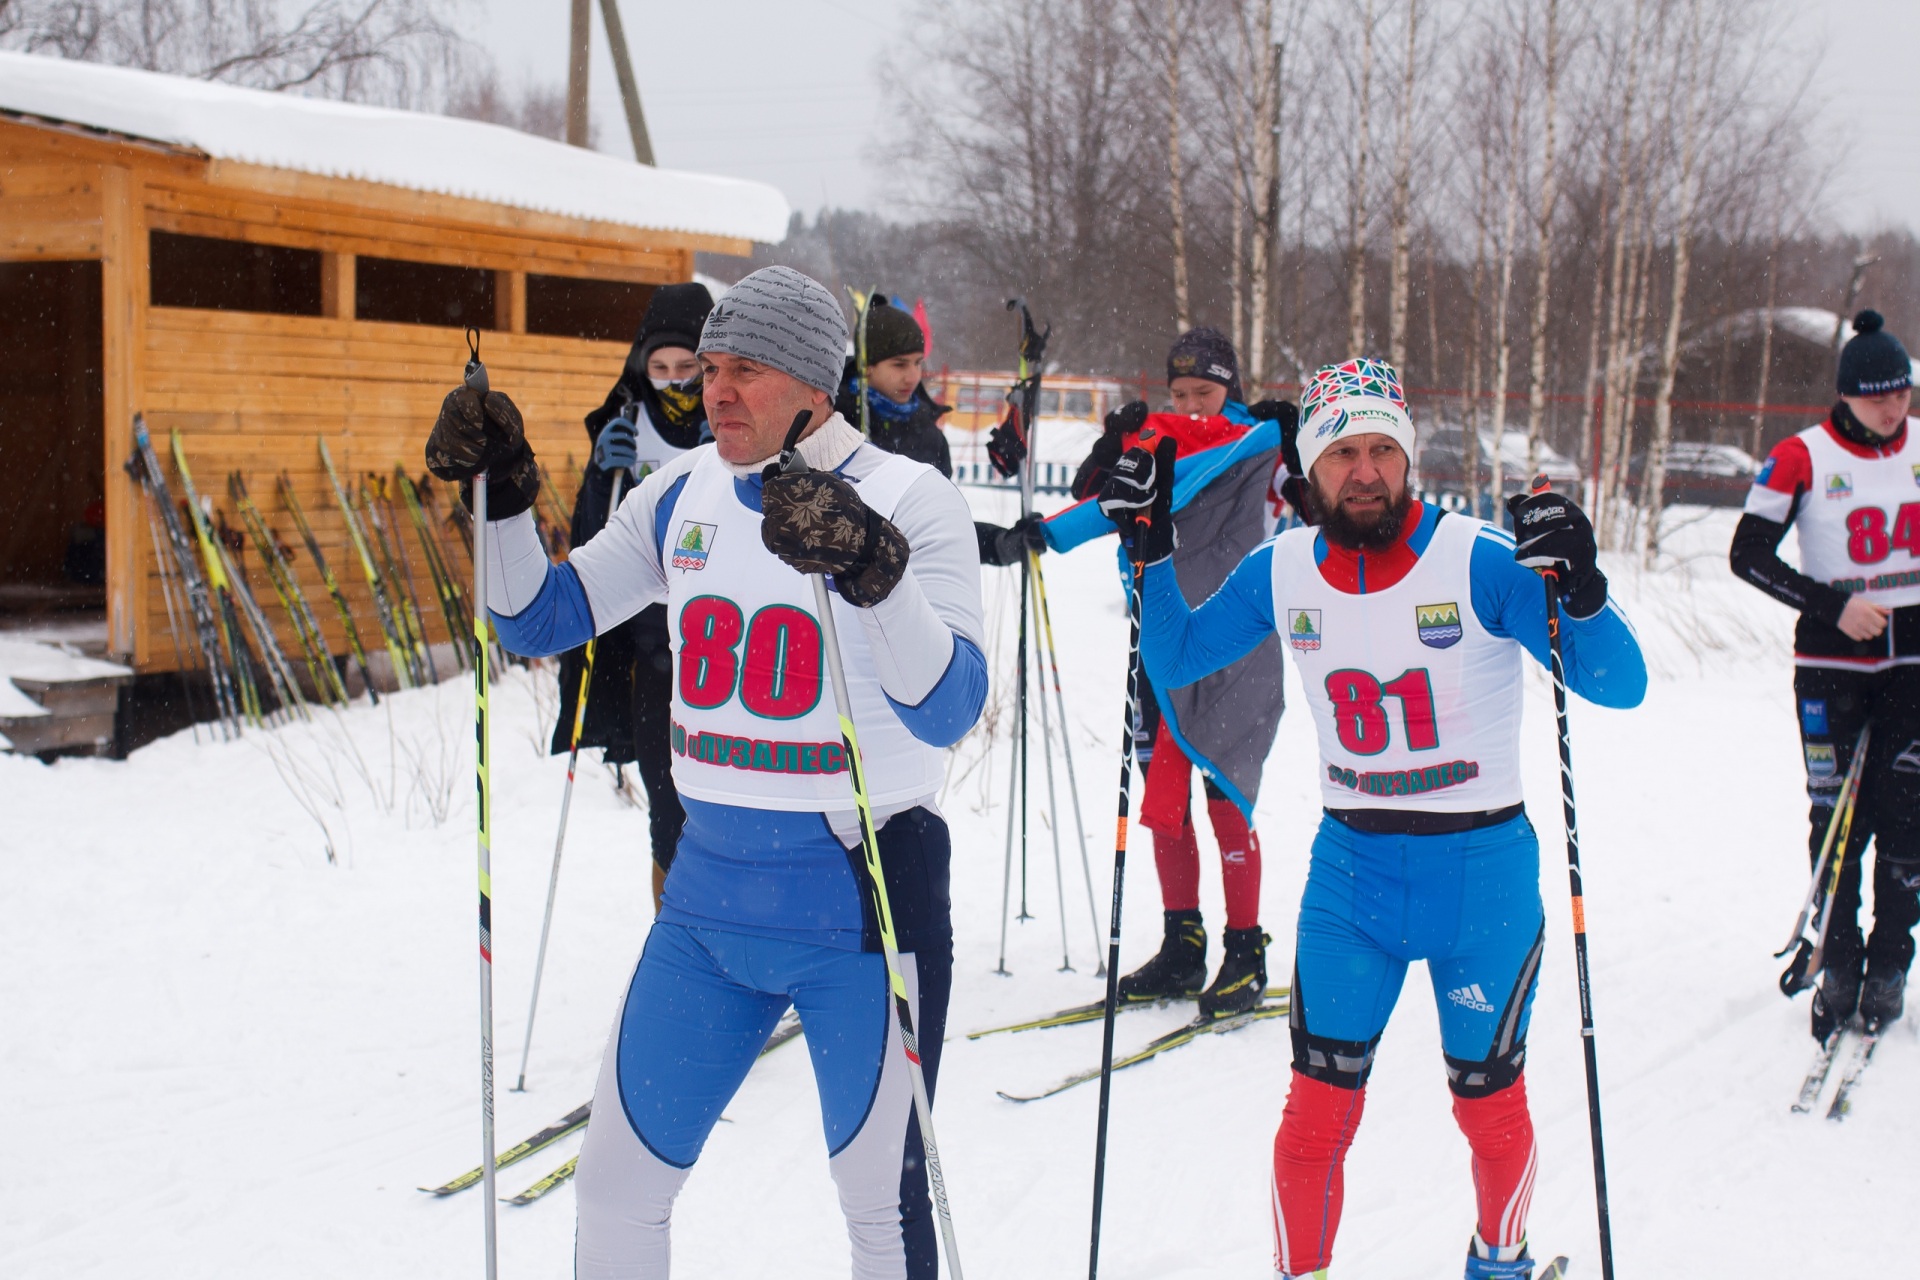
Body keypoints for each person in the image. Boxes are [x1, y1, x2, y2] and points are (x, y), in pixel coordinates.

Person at [425, 265, 987, 1279]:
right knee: (616, 1188)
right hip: (708, 902)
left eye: (746, 371)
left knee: (883, 1214)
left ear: (815, 386)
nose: (714, 392)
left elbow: (946, 707)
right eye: (710, 369)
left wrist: (872, 568)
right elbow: (537, 617)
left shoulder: (912, 497)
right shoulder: (679, 491)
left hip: (862, 905)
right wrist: (504, 497)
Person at [1115, 357, 1646, 1280]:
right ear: (1310, 471)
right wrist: (1151, 551)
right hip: (1351, 881)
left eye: (1382, 450)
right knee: (1313, 1121)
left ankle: (1502, 1261)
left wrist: (1585, 591)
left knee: (1488, 1106)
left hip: (1482, 879)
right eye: (1343, 454)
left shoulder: (1482, 561)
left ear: (1407, 456)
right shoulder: (1280, 569)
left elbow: (1618, 685)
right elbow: (1182, 655)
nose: (1365, 471)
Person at [983, 326, 1293, 1017]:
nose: (1190, 406)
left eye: (1205, 393)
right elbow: (1102, 500)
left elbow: (1315, 498)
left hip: (1238, 647)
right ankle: (1183, 944)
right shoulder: (1150, 445)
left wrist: (1296, 441)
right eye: (1179, 393)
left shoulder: (1256, 446)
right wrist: (1106, 452)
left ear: (1230, 391)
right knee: (1164, 800)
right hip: (1160, 641)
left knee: (1225, 796)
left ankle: (1244, 949)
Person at [1730, 309, 1920, 1041]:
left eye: (1902, 395)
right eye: (1878, 398)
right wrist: (1830, 604)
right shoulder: (1800, 456)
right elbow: (1747, 555)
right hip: (1833, 665)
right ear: (1847, 397)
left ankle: (1891, 963)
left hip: (1911, 666)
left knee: (1907, 818)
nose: (1893, 409)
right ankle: (1839, 960)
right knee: (1839, 817)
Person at [553, 282, 714, 906]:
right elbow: (592, 544)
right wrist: (599, 476)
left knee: (737, 809)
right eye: (661, 368)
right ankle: (680, 948)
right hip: (652, 655)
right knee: (668, 812)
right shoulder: (624, 423)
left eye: (689, 369)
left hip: (724, 646)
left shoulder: (734, 423)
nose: (674, 383)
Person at [836, 293, 954, 473]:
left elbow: (943, 499)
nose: (912, 377)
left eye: (918, 363)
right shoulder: (832, 425)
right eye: (899, 365)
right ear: (867, 367)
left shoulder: (930, 436)